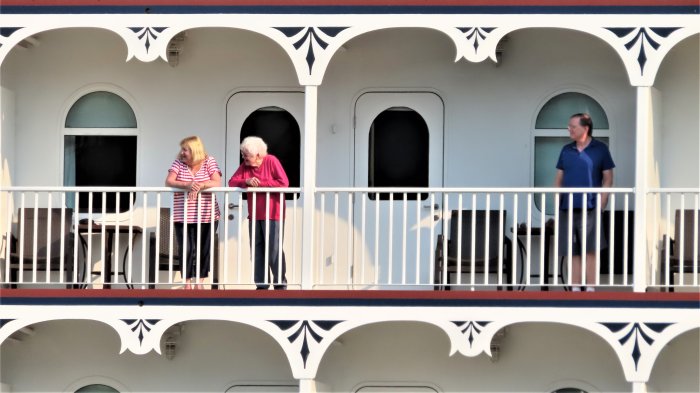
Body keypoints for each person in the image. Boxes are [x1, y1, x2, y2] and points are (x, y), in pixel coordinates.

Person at [554, 113, 615, 292]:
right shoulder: (566, 150)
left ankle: (589, 289)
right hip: (567, 208)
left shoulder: (600, 149)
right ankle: (574, 289)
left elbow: (608, 179)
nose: (569, 129)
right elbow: (558, 179)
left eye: (573, 126)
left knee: (591, 249)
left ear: (585, 128)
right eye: (569, 126)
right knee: (571, 250)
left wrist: (601, 206)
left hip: (590, 208)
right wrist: (558, 204)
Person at [228, 136, 289, 290]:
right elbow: (232, 181)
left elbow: (284, 183)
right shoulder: (246, 166)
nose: (243, 157)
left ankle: (280, 284)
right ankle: (261, 285)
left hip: (273, 214)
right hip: (254, 215)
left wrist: (260, 183)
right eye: (243, 154)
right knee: (257, 250)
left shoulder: (271, 161)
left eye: (246, 154)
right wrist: (246, 181)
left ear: (258, 155)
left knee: (274, 250)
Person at [165, 136, 221, 289]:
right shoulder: (178, 163)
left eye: (185, 149)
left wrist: (200, 185)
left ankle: (200, 282)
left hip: (206, 214)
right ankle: (187, 283)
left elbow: (217, 182)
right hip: (182, 214)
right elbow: (169, 181)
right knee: (186, 248)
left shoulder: (209, 161)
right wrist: (188, 185)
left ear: (194, 150)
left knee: (204, 247)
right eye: (182, 149)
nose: (182, 153)